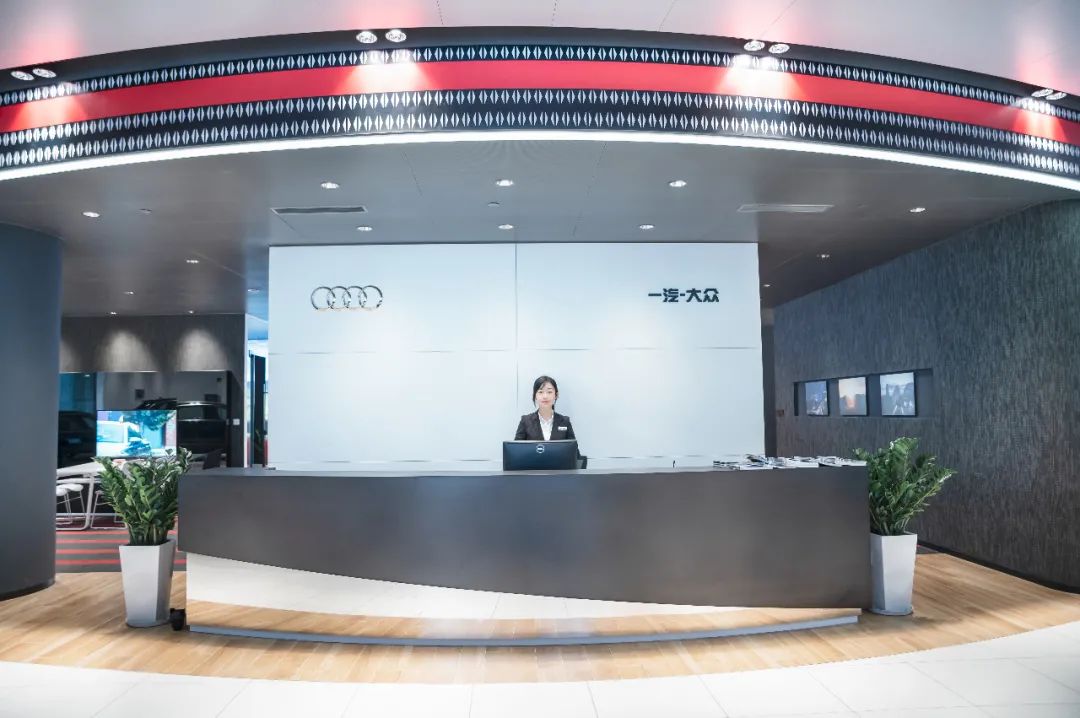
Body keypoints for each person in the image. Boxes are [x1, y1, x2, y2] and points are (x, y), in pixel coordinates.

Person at [514, 375, 577, 443]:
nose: (545, 396)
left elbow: (573, 448)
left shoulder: (565, 422)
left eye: (549, 392)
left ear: (556, 395)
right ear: (535, 396)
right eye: (540, 392)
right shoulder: (525, 421)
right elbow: (516, 448)